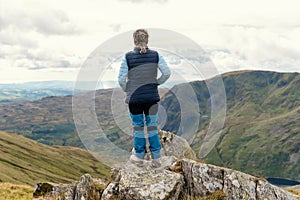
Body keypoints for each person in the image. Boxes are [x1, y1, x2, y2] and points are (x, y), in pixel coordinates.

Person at [118, 29, 171, 168]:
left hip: (134, 98)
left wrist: (127, 89)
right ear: (147, 41)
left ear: (134, 41)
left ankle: (139, 156)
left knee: (138, 127)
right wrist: (156, 83)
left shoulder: (128, 57)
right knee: (152, 125)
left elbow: (121, 79)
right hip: (151, 97)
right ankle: (157, 158)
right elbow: (167, 73)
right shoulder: (155, 55)